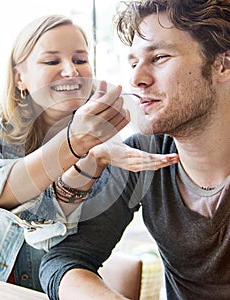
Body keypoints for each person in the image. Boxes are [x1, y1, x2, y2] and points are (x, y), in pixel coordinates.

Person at [0, 14, 177, 292]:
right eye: (52, 61)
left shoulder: (107, 149)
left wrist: (93, 158)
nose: (71, 71)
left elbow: (72, 247)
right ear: (20, 77)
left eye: (80, 60)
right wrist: (75, 144)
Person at [39, 1, 230, 299]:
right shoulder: (141, 154)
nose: (136, 79)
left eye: (160, 57)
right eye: (133, 64)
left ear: (223, 65)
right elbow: (63, 260)